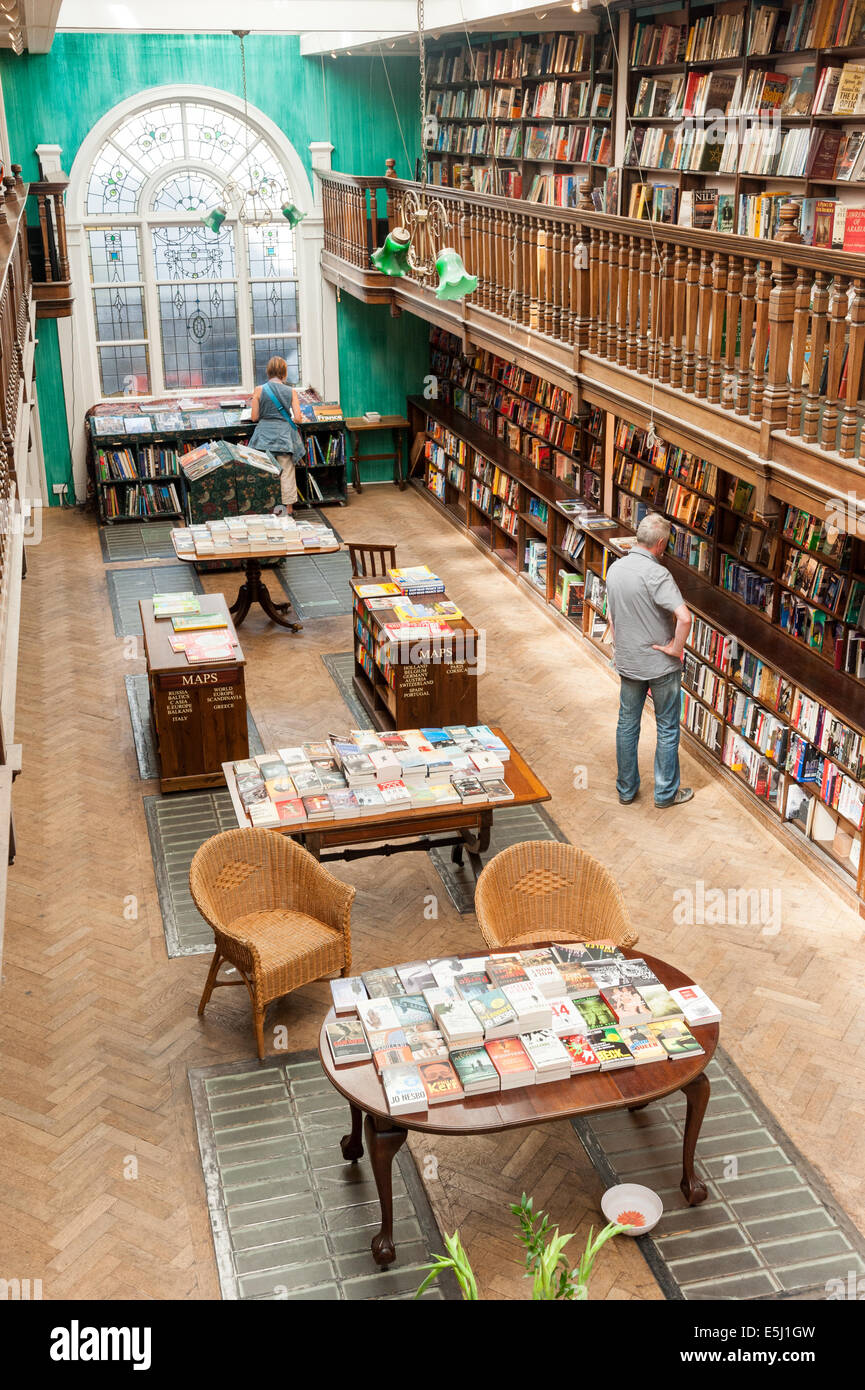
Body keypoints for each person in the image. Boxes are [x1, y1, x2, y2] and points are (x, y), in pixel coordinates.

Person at [604, 512, 694, 809]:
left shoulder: (615, 569)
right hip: (660, 665)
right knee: (667, 727)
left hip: (629, 661)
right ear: (660, 544)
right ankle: (665, 794)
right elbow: (684, 617)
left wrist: (621, 644)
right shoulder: (658, 574)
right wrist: (674, 649)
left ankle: (626, 790)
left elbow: (612, 615)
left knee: (627, 724)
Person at [248, 356, 305, 512]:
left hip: (264, 438)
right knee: (286, 473)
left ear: (268, 372)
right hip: (284, 438)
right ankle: (289, 510)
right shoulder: (291, 391)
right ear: (284, 373)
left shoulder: (259, 390)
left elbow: (254, 417)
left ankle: (267, 508)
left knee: (265, 472)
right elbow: (298, 418)